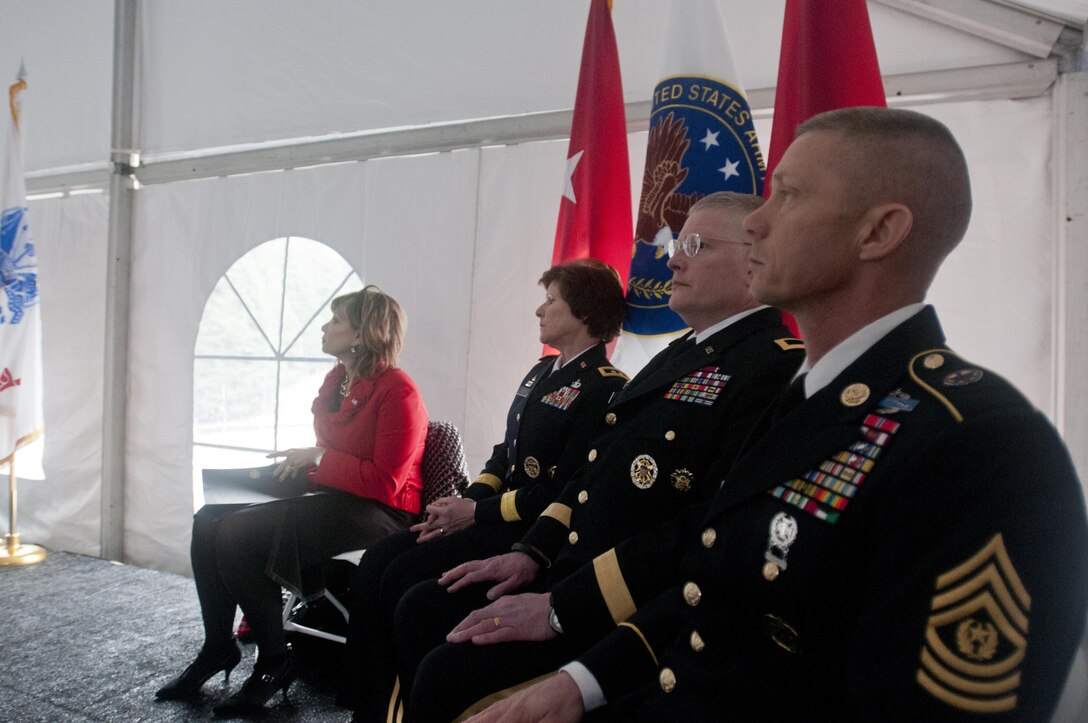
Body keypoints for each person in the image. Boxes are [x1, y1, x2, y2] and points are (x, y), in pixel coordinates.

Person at [465, 107, 1088, 722]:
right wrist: (580, 683)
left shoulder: (981, 445)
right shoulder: (803, 399)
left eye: (787, 196)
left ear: (878, 233)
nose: (757, 222)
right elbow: (715, 593)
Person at [392, 192, 806, 721]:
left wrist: (564, 606)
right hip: (568, 565)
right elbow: (591, 477)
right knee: (422, 605)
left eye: (696, 245)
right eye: (678, 244)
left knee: (447, 673)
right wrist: (532, 552)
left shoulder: (769, 368)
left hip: (632, 607)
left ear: (756, 259)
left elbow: (707, 528)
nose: (673, 258)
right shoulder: (682, 354)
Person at [336, 259, 630, 718]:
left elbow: (565, 487)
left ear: (585, 314)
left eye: (551, 301)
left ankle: (400, 709)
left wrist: (479, 514)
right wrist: (466, 501)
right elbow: (503, 454)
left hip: (526, 530)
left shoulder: (605, 388)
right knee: (377, 562)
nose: (539, 311)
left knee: (406, 588)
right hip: (488, 513)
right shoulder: (541, 373)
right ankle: (366, 702)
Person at [154, 285, 428, 718]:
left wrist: (319, 458)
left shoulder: (399, 391)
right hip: (336, 493)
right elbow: (340, 454)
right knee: (207, 519)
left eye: (336, 320)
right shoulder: (338, 379)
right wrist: (306, 463)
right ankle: (217, 648)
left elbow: (387, 482)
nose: (325, 326)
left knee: (237, 535)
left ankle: (274, 659)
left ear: (361, 332)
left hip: (381, 512)